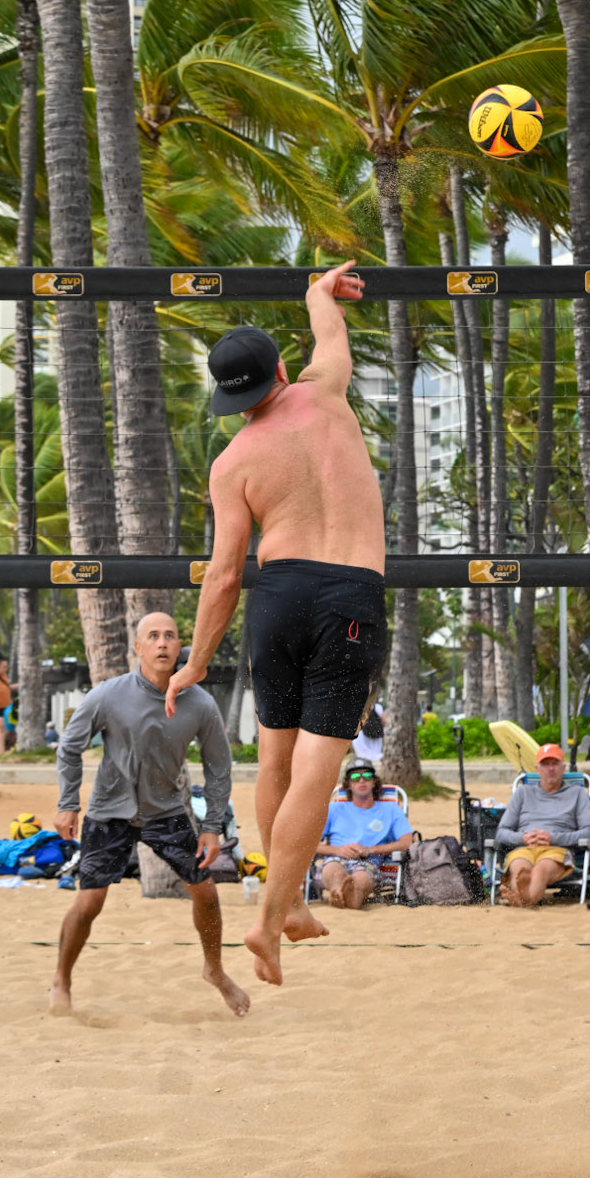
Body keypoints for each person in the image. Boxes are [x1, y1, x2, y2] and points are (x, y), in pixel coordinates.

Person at [167, 262, 386, 988]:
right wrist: (318, 292)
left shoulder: (232, 462)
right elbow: (331, 332)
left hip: (278, 596)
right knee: (317, 773)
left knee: (275, 762)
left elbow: (224, 575)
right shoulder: (325, 391)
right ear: (282, 371)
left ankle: (286, 904)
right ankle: (268, 920)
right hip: (347, 595)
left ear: (231, 399)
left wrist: (196, 661)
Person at [50, 611, 248, 1020]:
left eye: (170, 636)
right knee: (89, 903)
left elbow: (218, 767)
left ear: (180, 647)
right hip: (109, 812)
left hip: (166, 811)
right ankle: (62, 980)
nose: (162, 643)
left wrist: (212, 826)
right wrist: (68, 803)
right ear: (137, 648)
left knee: (206, 893)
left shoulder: (200, 703)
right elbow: (69, 747)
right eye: (153, 636)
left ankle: (214, 969)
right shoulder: (108, 695)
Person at [494, 745, 590, 907]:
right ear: (537, 768)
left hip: (557, 850)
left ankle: (520, 900)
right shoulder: (522, 793)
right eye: (545, 764)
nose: (550, 769)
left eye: (554, 763)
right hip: (524, 847)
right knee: (519, 869)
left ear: (563, 767)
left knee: (540, 871)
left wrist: (553, 838)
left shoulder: (577, 793)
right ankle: (523, 898)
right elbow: (501, 832)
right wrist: (523, 838)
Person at [315, 760, 413, 909]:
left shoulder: (391, 809)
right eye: (355, 777)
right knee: (333, 869)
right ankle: (338, 892)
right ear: (348, 784)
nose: (361, 780)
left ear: (374, 782)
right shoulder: (333, 809)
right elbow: (309, 845)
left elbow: (407, 842)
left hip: (370, 861)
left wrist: (369, 850)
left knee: (362, 878)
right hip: (336, 857)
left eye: (367, 776)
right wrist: (338, 850)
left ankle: (350, 898)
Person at [352, 699, 384, 766]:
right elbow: (383, 721)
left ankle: (365, 765)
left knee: (363, 755)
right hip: (376, 733)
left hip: (361, 733)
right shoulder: (377, 706)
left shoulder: (356, 706)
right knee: (375, 753)